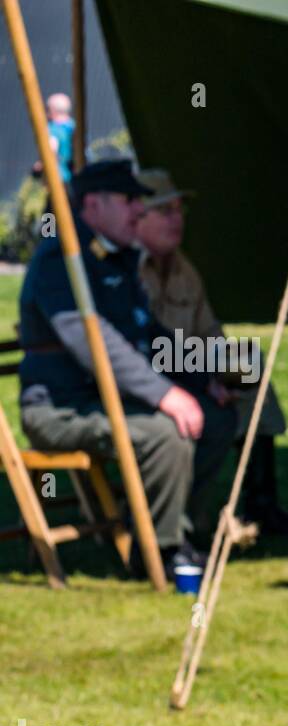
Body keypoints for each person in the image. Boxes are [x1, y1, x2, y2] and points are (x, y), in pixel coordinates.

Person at [18, 160, 236, 576]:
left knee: (216, 418)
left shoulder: (113, 257)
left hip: (108, 401)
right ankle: (159, 552)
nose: (139, 209)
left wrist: (203, 378)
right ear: (92, 207)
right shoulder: (60, 259)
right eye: (129, 199)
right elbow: (95, 342)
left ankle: (176, 530)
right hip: (61, 408)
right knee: (165, 433)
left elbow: (147, 333)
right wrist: (164, 395)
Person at [134, 168, 288, 537]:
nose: (177, 219)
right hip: (150, 375)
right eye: (165, 211)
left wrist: (227, 368)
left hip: (187, 363)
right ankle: (182, 515)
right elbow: (142, 346)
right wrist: (204, 375)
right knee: (226, 384)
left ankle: (262, 503)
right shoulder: (128, 272)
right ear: (138, 218)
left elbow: (209, 332)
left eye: (179, 210)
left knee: (249, 365)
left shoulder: (184, 268)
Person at [42, 93, 76, 183]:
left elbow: (51, 151)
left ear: (52, 110)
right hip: (76, 177)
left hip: (59, 179)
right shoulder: (75, 126)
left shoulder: (53, 129)